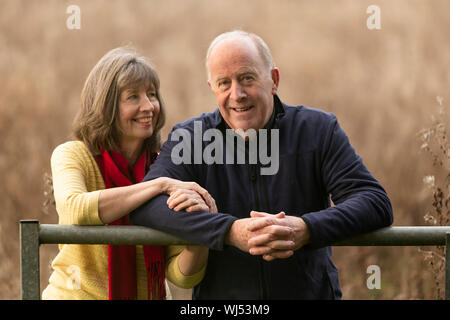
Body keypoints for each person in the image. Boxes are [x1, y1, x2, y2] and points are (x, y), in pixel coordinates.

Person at [130, 30, 394, 299]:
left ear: (274, 80)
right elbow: (145, 205)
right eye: (224, 83)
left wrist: (306, 229)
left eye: (247, 78)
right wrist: (229, 231)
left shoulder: (318, 130)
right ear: (212, 89)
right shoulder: (191, 138)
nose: (238, 94)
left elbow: (374, 201)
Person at [42, 47, 218, 300]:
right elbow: (75, 210)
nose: (148, 106)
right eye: (132, 97)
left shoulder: (165, 167)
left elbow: (182, 276)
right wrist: (157, 186)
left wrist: (202, 229)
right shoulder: (72, 154)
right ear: (107, 105)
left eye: (152, 94)